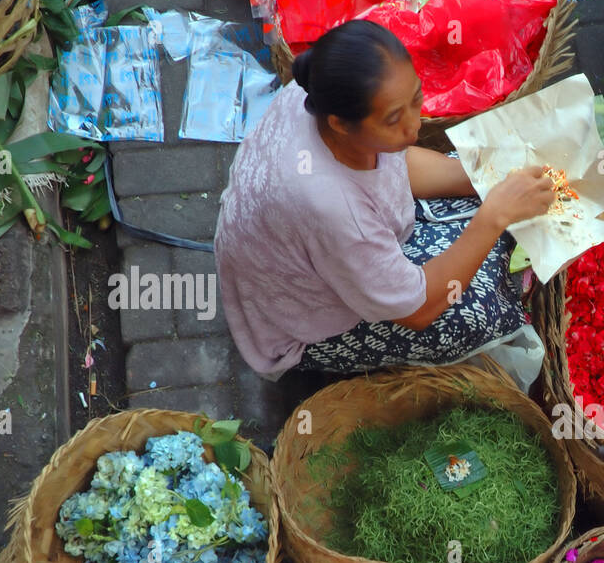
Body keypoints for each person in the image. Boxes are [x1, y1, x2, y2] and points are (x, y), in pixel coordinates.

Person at [214, 20, 556, 389]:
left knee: (488, 191)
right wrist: (493, 215)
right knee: (476, 309)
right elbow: (420, 311)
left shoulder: (315, 92)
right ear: (341, 125)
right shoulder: (332, 208)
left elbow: (397, 163)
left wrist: (484, 180)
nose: (413, 127)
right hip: (294, 325)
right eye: (394, 119)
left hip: (312, 249)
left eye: (416, 98)